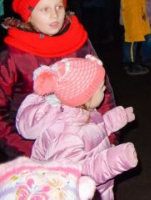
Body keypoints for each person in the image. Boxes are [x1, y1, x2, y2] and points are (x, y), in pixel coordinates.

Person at [0, 0, 117, 158]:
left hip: (85, 143)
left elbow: (103, 90)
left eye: (59, 7)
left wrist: (108, 135)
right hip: (36, 150)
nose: (54, 16)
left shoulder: (79, 41)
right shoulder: (13, 54)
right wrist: (31, 153)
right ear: (28, 14)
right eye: (44, 9)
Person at [16, 55, 139, 199]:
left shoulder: (82, 114)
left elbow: (92, 134)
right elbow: (75, 175)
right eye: (100, 88)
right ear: (83, 97)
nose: (105, 88)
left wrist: (114, 119)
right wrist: (114, 160)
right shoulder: (67, 134)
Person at [113, 0, 151, 76]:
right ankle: (131, 64)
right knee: (132, 41)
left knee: (133, 40)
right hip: (133, 16)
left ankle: (133, 62)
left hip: (134, 15)